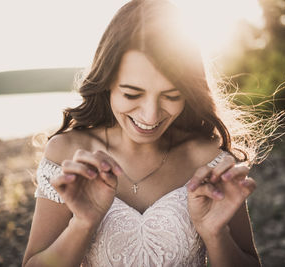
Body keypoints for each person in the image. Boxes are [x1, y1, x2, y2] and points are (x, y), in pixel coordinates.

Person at [22, 0, 263, 266]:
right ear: (107, 83)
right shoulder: (67, 154)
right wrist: (82, 224)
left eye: (171, 95)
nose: (150, 115)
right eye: (131, 93)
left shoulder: (209, 159)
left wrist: (216, 233)